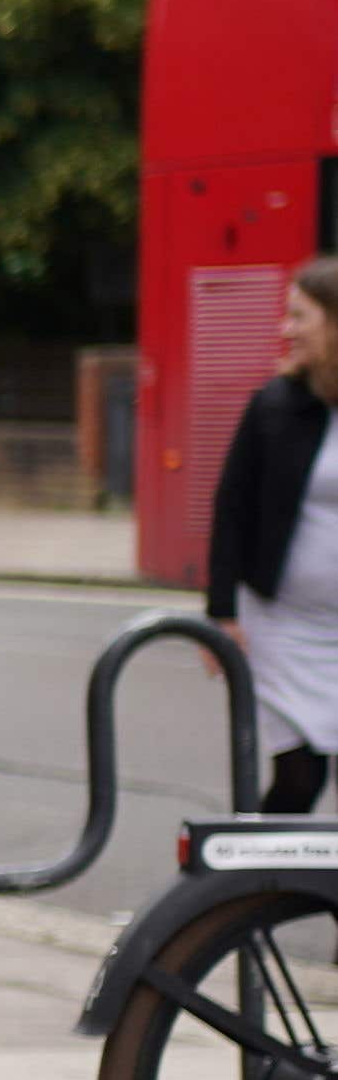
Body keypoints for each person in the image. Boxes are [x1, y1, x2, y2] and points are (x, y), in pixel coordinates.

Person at [208, 252, 338, 810]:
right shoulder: (274, 406)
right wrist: (222, 611)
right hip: (285, 627)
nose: (285, 329)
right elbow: (231, 506)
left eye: (299, 316)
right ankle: (246, 891)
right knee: (300, 781)